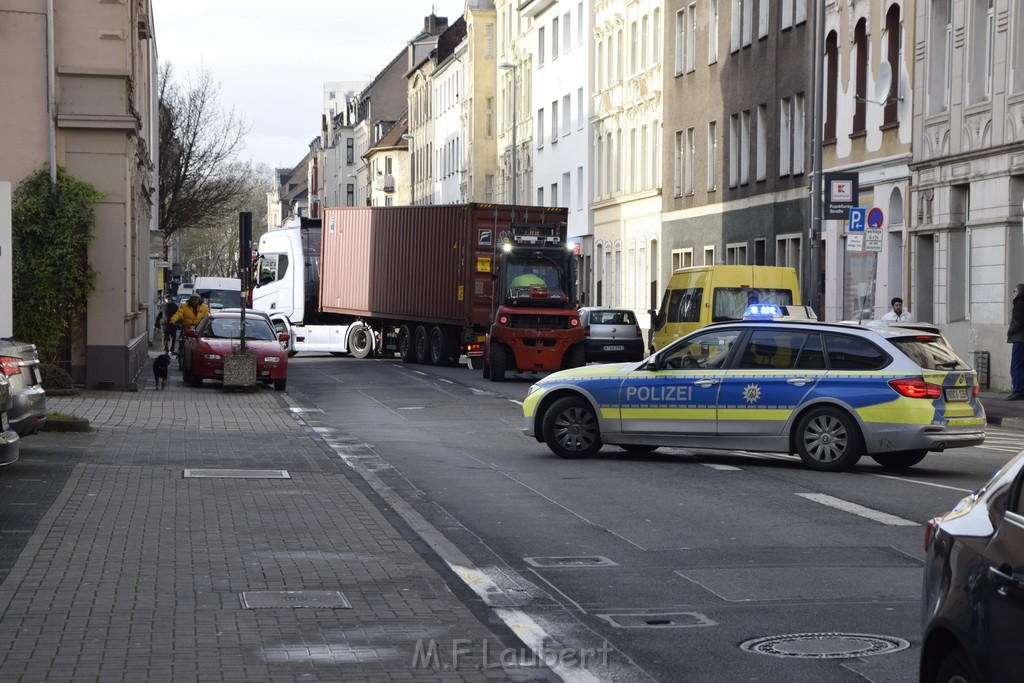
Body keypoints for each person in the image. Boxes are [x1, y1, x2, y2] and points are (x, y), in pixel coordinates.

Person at [1006, 283, 1024, 400]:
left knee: (1015, 366)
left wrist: (1009, 331)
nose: (1014, 293)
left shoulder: (1019, 305)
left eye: (1015, 291)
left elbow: (1017, 323)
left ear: (1019, 292)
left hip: (1019, 339)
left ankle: (1017, 391)